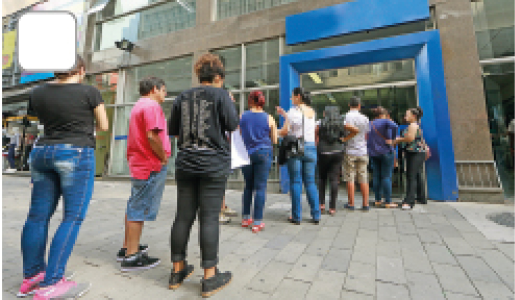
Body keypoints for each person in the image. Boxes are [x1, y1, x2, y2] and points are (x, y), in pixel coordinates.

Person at [19, 55, 109, 300]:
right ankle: (53, 282)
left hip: (42, 152)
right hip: (76, 152)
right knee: (72, 216)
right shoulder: (89, 91)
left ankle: (32, 277)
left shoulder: (37, 92)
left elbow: (43, 121)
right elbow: (103, 124)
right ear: (80, 69)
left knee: (37, 216)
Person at [168, 53, 239, 297]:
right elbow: (232, 125)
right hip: (213, 164)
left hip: (186, 162)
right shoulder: (222, 95)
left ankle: (177, 271)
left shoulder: (181, 97)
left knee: (183, 216)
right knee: (209, 217)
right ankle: (210, 277)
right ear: (218, 77)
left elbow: (175, 131)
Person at [118, 77, 170, 271]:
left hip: (139, 162)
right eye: (164, 90)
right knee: (138, 208)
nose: (165, 94)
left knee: (134, 204)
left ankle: (127, 247)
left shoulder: (138, 105)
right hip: (149, 164)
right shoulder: (151, 106)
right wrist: (163, 157)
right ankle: (132, 256)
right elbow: (152, 135)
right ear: (155, 89)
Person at [277, 87, 321, 225]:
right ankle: (316, 215)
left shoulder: (293, 112)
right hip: (310, 148)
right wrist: (285, 115)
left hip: (296, 149)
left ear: (298, 97)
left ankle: (297, 216)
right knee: (310, 182)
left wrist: (274, 131)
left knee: (295, 182)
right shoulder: (312, 112)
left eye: (292, 97)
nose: (291, 99)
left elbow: (285, 131)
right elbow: (303, 125)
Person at [239, 90, 277, 233]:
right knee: (260, 187)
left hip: (246, 154)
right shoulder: (269, 118)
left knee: (248, 186)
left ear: (250, 101)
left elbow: (240, 135)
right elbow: (274, 140)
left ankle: (245, 218)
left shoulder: (242, 116)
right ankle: (257, 222)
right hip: (263, 153)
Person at [316, 106, 358, 215]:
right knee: (334, 179)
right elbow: (355, 130)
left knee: (322, 178)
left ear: (326, 113)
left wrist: (317, 146)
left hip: (323, 152)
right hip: (337, 152)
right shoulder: (341, 123)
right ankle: (332, 208)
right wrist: (344, 139)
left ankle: (321, 204)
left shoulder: (320, 123)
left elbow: (315, 135)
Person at [393, 107, 427, 210]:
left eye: (407, 115)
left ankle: (409, 201)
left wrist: (398, 140)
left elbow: (410, 138)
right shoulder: (415, 125)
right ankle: (421, 197)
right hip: (417, 152)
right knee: (417, 174)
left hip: (414, 152)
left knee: (411, 176)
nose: (405, 117)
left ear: (414, 116)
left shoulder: (412, 125)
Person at [368, 106, 398, 209]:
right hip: (386, 152)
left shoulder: (370, 123)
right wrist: (393, 139)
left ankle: (377, 200)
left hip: (373, 153)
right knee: (386, 177)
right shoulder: (385, 121)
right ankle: (388, 202)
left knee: (376, 176)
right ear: (383, 115)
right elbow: (395, 126)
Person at [343, 96, 370, 211]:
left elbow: (345, 131)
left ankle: (351, 203)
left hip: (350, 150)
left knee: (350, 177)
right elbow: (366, 135)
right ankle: (365, 204)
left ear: (349, 105)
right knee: (363, 177)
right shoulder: (365, 118)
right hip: (362, 150)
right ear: (359, 106)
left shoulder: (346, 116)